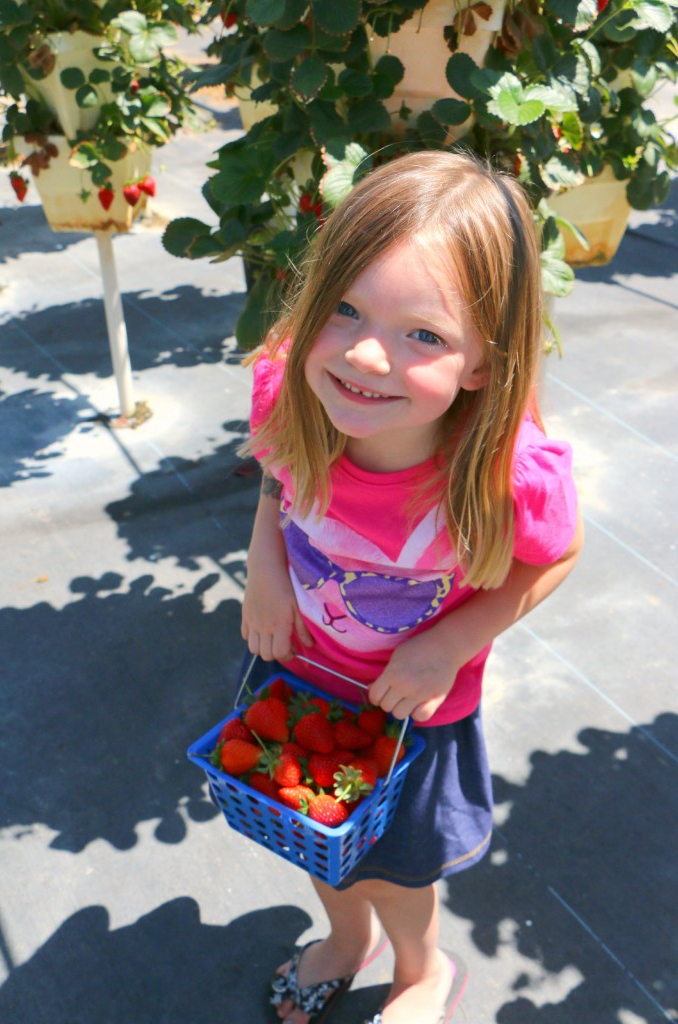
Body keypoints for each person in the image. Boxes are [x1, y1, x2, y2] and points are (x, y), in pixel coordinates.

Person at [239, 151, 584, 1024]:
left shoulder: (506, 475)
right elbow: (278, 481)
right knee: (320, 839)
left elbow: (556, 554)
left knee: (397, 865)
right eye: (345, 309)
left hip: (415, 714)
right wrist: (265, 567)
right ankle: (345, 940)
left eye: (422, 334)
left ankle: (419, 969)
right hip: (306, 675)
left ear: (481, 363)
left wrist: (448, 642)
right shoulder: (290, 393)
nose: (363, 353)